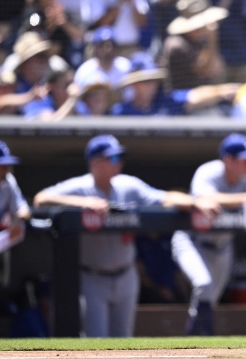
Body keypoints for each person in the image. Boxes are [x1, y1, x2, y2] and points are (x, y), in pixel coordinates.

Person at [33, 134, 220, 338]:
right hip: (93, 277)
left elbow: (164, 198)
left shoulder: (128, 185)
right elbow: (40, 199)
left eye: (120, 157)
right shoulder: (80, 187)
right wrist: (81, 203)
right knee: (97, 341)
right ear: (95, 162)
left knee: (123, 339)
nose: (119, 163)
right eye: (112, 158)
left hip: (126, 275)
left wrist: (195, 202)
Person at [171, 133, 246, 335]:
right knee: (203, 283)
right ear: (229, 160)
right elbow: (205, 198)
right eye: (245, 159)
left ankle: (193, 341)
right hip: (192, 240)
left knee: (210, 299)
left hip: (222, 246)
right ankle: (199, 337)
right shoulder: (208, 172)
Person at [0, 139, 30, 338]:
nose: (6, 169)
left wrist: (17, 220)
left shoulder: (8, 184)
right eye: (1, 165)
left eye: (7, 164)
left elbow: (24, 210)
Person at [112, 52, 239, 116]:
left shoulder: (166, 102)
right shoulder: (121, 112)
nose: (152, 86)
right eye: (146, 81)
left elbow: (196, 95)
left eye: (155, 80)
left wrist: (224, 90)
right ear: (134, 84)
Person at [160, 0, 228, 90]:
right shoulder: (176, 45)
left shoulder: (201, 40)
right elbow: (205, 71)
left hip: (202, 97)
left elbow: (217, 68)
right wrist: (213, 38)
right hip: (182, 100)